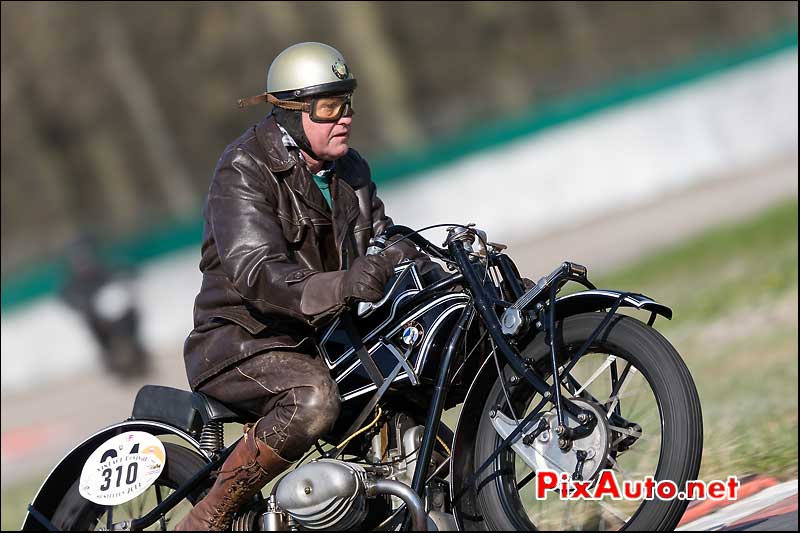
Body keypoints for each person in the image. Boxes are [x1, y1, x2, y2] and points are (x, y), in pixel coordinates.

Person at [177, 42, 441, 530]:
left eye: (347, 101)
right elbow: (257, 271)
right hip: (243, 344)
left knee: (417, 403)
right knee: (313, 399)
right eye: (328, 106)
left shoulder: (351, 170)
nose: (344, 116)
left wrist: (434, 268)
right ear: (291, 113)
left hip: (322, 338)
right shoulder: (244, 169)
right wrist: (344, 284)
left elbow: (381, 239)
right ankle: (211, 514)